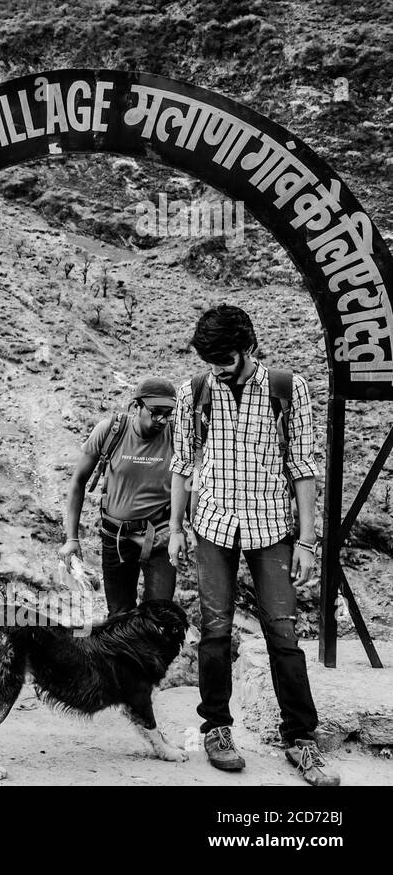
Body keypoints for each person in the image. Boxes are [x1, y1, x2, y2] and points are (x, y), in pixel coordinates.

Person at [168, 304, 337, 786]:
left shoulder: (289, 389)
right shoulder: (193, 393)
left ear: (249, 348)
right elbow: (182, 463)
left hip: (273, 528)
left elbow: (303, 467)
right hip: (214, 523)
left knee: (283, 633)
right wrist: (177, 527)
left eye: (224, 359)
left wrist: (307, 540)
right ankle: (216, 729)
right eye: (209, 361)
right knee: (215, 630)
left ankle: (301, 740)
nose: (216, 369)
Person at [60, 378, 178, 616]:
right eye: (155, 412)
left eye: (168, 414)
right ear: (137, 407)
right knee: (119, 616)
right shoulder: (111, 431)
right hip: (116, 538)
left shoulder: (176, 436)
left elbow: (189, 483)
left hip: (159, 538)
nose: (161, 420)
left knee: (159, 617)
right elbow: (78, 482)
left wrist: (183, 531)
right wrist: (72, 538)